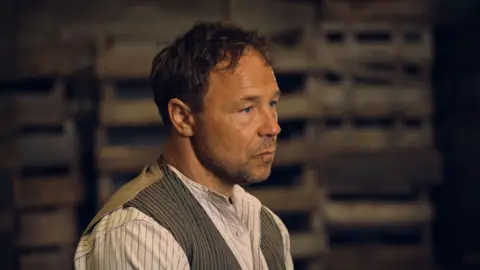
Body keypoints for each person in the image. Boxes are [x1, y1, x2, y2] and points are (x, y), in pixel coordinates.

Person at [74, 21, 293, 270]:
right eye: (247, 109)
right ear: (183, 117)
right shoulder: (140, 232)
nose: (272, 128)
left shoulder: (268, 227)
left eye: (272, 104)